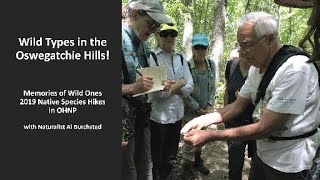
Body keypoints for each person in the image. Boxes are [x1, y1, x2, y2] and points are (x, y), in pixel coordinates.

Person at [181, 11, 320, 180]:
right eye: (240, 46)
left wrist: (210, 136)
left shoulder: (295, 70)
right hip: (264, 153)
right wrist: (203, 120)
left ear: (269, 39)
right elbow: (238, 105)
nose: (241, 53)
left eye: (246, 45)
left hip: (289, 162)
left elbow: (265, 127)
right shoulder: (258, 67)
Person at [121, 0, 170, 179]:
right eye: (151, 23)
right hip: (123, 120)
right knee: (126, 170)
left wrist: (160, 84)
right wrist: (133, 87)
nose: (154, 30)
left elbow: (144, 81)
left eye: (157, 25)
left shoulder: (143, 45)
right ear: (134, 15)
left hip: (142, 117)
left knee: (145, 166)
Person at [148, 15, 194, 180]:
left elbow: (191, 85)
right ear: (158, 35)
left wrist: (174, 87)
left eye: (172, 34)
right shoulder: (151, 57)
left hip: (177, 115)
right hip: (158, 118)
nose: (169, 38)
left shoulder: (181, 58)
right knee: (156, 156)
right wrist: (180, 84)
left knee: (171, 156)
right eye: (165, 34)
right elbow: (159, 94)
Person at [179, 33, 215, 179]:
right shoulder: (186, 65)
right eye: (197, 47)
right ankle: (185, 167)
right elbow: (184, 92)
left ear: (207, 48)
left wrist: (209, 106)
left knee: (201, 137)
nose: (200, 50)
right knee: (189, 139)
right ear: (193, 48)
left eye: (203, 47)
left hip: (204, 112)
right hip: (190, 110)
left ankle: (197, 161)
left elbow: (212, 87)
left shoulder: (211, 64)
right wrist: (196, 107)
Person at [224, 48, 256, 180]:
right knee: (235, 167)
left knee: (257, 167)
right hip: (234, 125)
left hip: (256, 125)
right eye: (243, 47)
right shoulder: (231, 66)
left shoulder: (260, 69)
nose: (246, 52)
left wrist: (246, 98)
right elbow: (227, 90)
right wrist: (225, 115)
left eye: (250, 48)